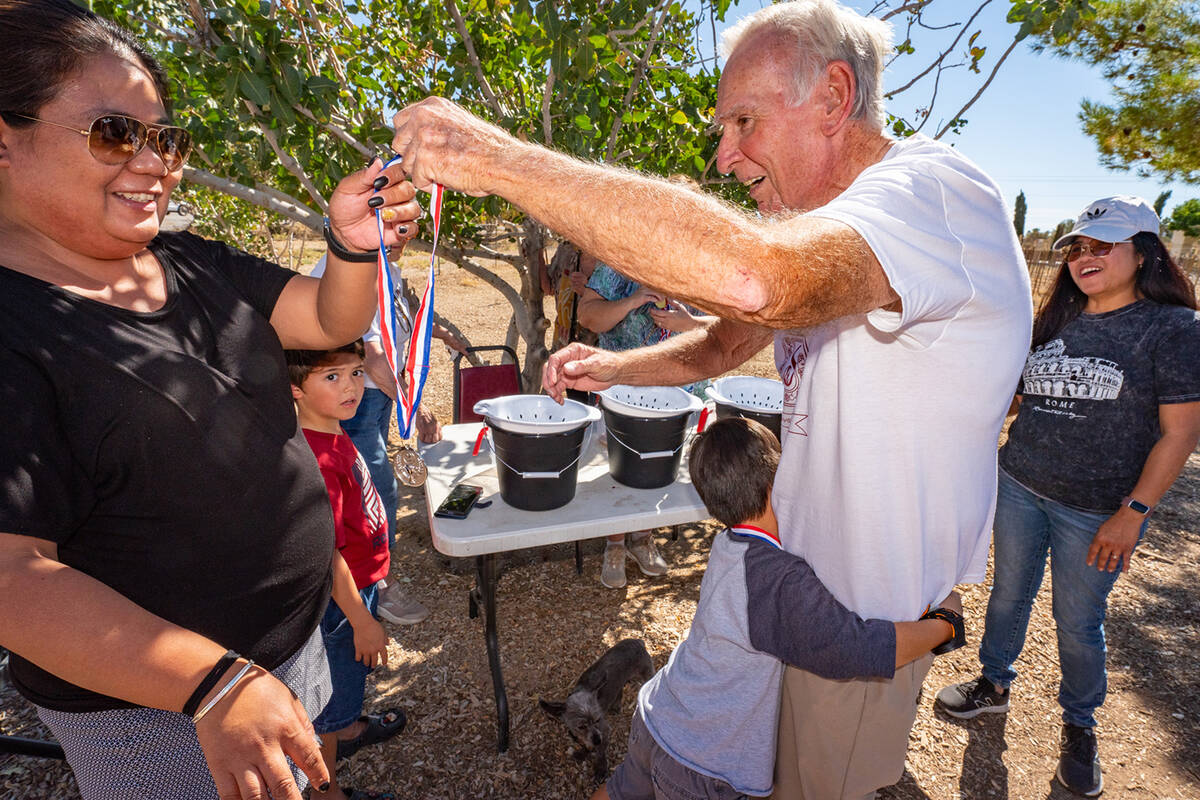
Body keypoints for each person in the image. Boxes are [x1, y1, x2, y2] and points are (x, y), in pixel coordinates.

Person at [389, 1, 1032, 795]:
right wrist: (614, 369)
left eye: (744, 123)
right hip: (802, 584)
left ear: (834, 98)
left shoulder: (929, 195)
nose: (725, 156)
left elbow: (753, 280)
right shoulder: (835, 228)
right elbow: (728, 339)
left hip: (862, 611)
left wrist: (497, 161)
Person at [0, 2, 421, 797]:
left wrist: (348, 246)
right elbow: (11, 578)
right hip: (163, 710)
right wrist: (210, 683)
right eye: (114, 132)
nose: (156, 162)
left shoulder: (184, 259)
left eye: (164, 139)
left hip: (287, 647)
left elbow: (330, 318)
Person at [935, 196, 1200, 797]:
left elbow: (1181, 433)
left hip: (1097, 511)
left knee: (1078, 622)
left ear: (1145, 253)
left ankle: (1080, 726)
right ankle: (994, 684)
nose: (1085, 257)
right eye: (1078, 247)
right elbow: (1013, 397)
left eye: (1103, 245)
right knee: (1007, 596)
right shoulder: (1052, 320)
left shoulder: (1173, 329)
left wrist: (1133, 514)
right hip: (1021, 486)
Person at [597, 417, 963, 800]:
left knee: (623, 790)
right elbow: (855, 649)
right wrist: (944, 625)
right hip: (701, 761)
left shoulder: (731, 543)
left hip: (660, 715)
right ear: (776, 484)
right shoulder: (777, 580)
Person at [309, 254, 466, 626]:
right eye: (395, 224)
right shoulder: (355, 271)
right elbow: (374, 356)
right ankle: (378, 585)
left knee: (369, 488)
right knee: (374, 490)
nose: (405, 234)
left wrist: (441, 333)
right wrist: (417, 406)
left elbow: (399, 318)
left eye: (410, 226)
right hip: (356, 395)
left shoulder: (388, 266)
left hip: (375, 393)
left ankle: (369, 574)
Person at [287, 341, 404, 800]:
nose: (352, 385)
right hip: (341, 608)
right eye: (331, 377)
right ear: (296, 389)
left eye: (356, 372)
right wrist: (362, 621)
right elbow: (328, 556)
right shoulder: (316, 457)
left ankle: (349, 729)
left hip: (357, 592)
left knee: (343, 692)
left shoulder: (333, 432)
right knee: (325, 709)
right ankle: (326, 791)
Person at [577, 257, 711, 589]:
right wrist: (632, 301)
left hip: (676, 400)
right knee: (617, 471)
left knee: (656, 469)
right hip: (622, 395)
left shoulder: (701, 269)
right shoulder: (618, 267)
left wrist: (689, 324)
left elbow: (729, 324)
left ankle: (642, 538)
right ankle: (616, 544)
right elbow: (588, 316)